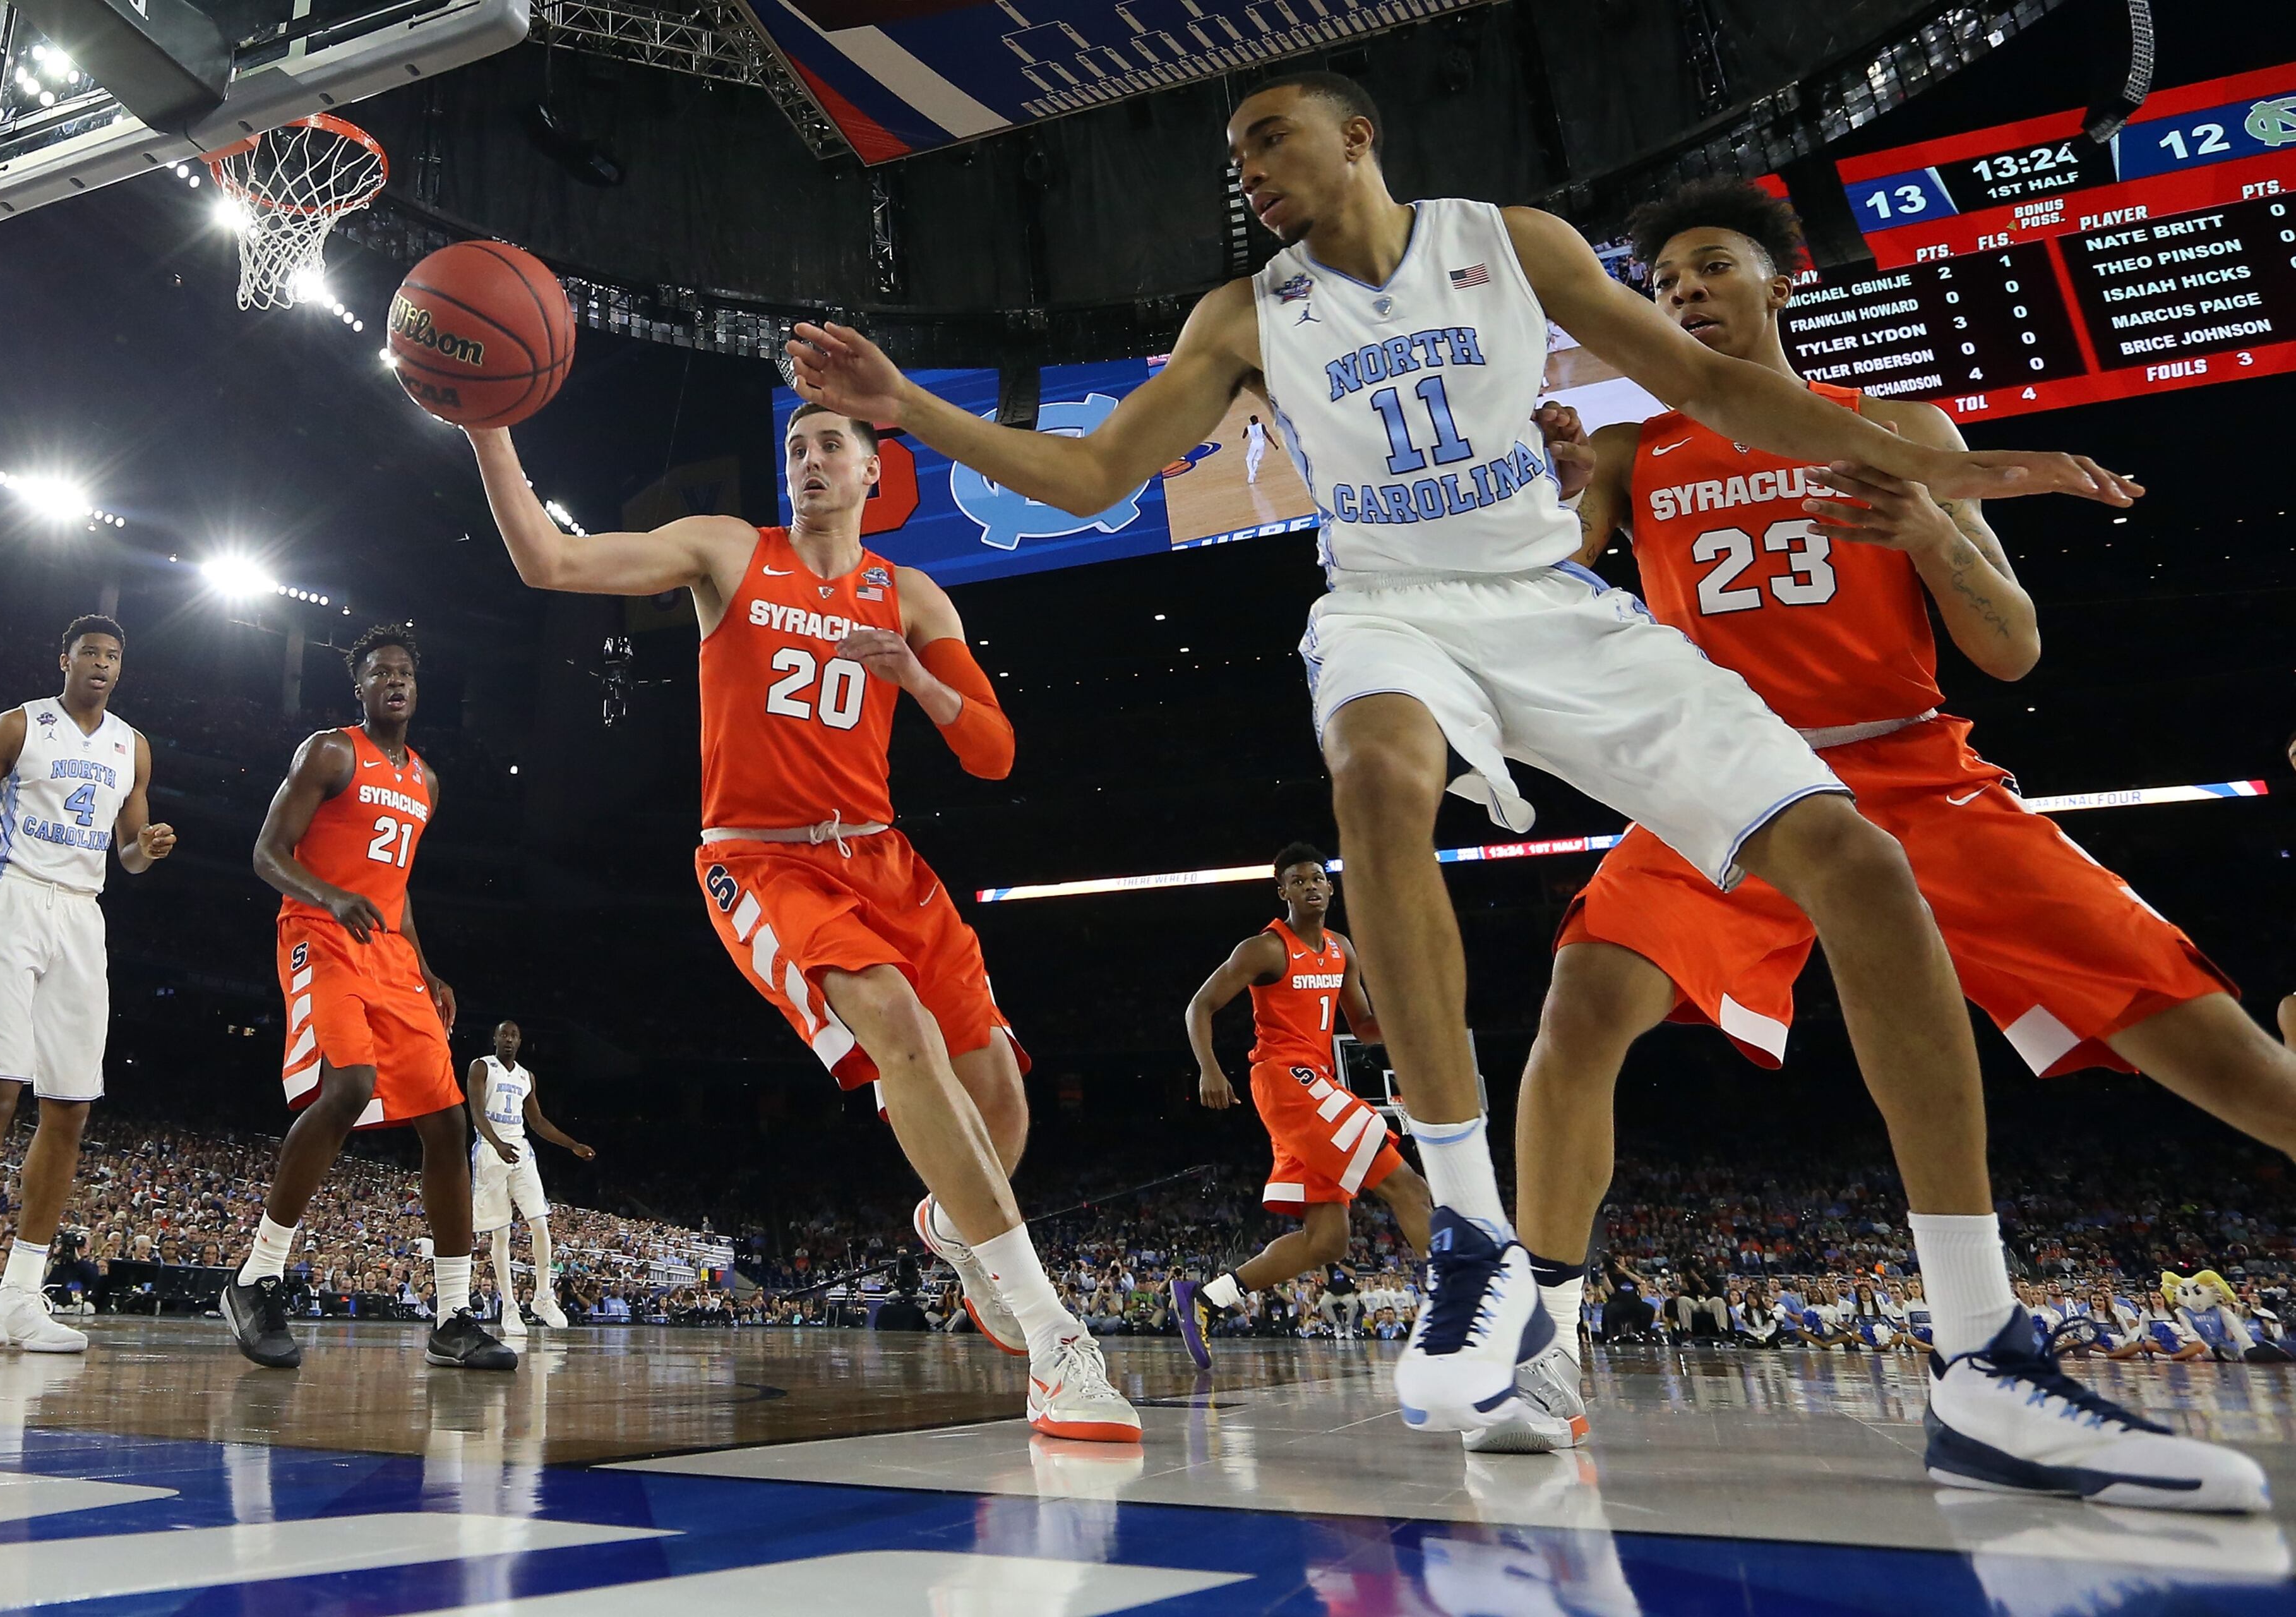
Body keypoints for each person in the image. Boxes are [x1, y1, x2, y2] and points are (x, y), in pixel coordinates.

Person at [784, 71, 2148, 1472]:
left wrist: (1975, 472)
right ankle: (1473, 1230)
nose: (1245, 167)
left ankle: (1983, 1350)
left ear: (1360, 134)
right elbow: (1090, 478)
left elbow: (1719, 387)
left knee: (1858, 862)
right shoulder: (1246, 314)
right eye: (1235, 152)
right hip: (1387, 606)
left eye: (1269, 136)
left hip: (1547, 598)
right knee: (1376, 779)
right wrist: (906, 407)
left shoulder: (1514, 242)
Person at [1514, 176, 2269, 1506]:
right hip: (1730, 780)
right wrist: (1543, 488)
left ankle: (1984, 1355)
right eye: (1664, 283)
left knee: (2211, 1040)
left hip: (1911, 766)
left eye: (1708, 268)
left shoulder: (1895, 427)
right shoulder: (1638, 456)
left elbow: (2012, 645)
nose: (1683, 293)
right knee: (1582, 1003)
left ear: (1780, 284)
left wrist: (1930, 524)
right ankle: (1540, 1346)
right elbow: (1546, 591)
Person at [462, 404, 1137, 1443]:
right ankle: (1058, 1345)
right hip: (764, 860)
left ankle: (951, 1226)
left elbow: (995, 753)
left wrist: (915, 676)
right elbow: (551, 561)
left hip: (882, 856)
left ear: (875, 473)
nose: (809, 461)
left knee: (1000, 1103)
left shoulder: (909, 595)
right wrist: (490, 429)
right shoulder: (728, 551)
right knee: (897, 1024)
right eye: (795, 447)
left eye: (830, 448)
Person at [218, 626, 515, 1373]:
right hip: (319, 930)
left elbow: (398, 885)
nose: (395, 682)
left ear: (418, 689)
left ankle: (452, 1317)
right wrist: (330, 893)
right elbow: (266, 853)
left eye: (406, 673)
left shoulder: (427, 780)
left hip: (390, 950)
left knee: (448, 1124)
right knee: (350, 1084)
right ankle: (256, 1277)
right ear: (360, 687)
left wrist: (427, 964)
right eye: (381, 672)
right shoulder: (330, 750)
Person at [0, 615, 176, 1353]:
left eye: (114, 656)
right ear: (64, 659)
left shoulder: (132, 745)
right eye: (91, 653)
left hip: (82, 915)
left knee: (69, 1107)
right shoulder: (18, 726)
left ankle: (19, 1297)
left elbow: (127, 855)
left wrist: (146, 847)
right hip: (12, 899)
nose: (102, 664)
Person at [1174, 843, 1433, 1367]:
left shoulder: (1341, 949)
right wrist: (1209, 1067)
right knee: (1409, 1187)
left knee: (1327, 1242)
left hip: (1314, 1083)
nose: (1311, 885)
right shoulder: (1266, 948)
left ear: (1331, 888)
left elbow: (1362, 1027)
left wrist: (1411, 1016)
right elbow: (1200, 1004)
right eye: (1298, 880)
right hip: (1287, 1081)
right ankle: (1469, 1314)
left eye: (1319, 877)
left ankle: (1205, 1299)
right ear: (1283, 891)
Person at [467, 1019, 594, 1338]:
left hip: (521, 1150)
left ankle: (543, 1297)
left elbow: (537, 1121)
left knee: (540, 1223)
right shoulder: (481, 1067)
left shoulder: (527, 1077)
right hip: (490, 1150)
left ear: (520, 1041)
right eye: (504, 1034)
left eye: (514, 1036)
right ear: (494, 1038)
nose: (508, 1039)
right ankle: (509, 1307)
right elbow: (476, 1113)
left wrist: (572, 1145)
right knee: (500, 1235)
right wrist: (497, 1144)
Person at [1243, 412, 1269, 484]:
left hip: (1254, 443)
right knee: (1256, 460)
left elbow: (1243, 436)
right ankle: (1252, 474)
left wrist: (1246, 432)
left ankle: (1251, 474)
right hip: (1261, 443)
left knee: (1248, 459)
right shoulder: (1262, 426)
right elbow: (1268, 435)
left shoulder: (1248, 428)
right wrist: (1274, 444)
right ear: (1258, 420)